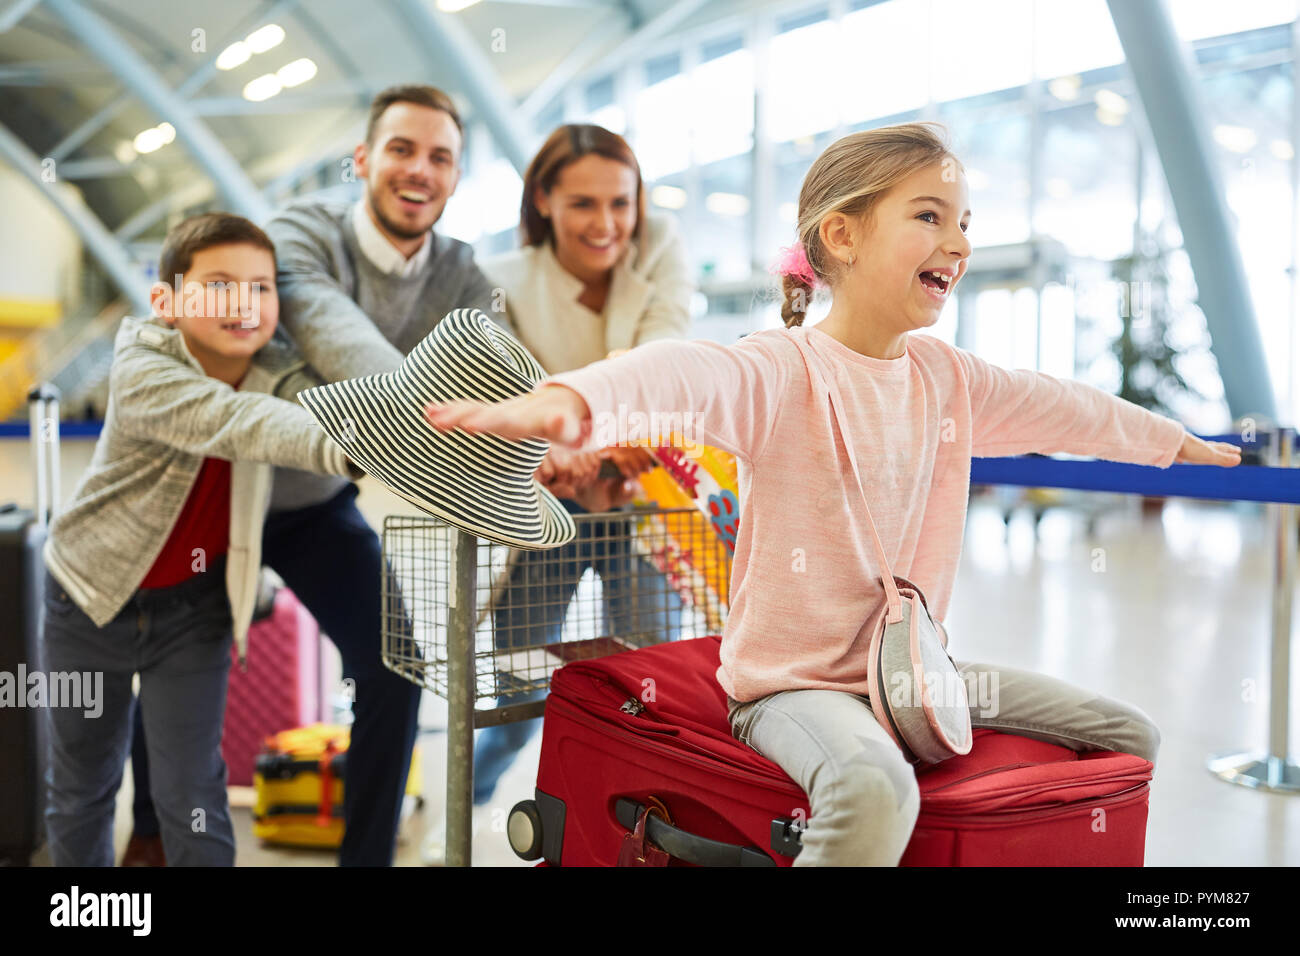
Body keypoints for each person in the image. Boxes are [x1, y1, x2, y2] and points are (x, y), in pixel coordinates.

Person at [424, 122, 1242, 866]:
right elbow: (682, 375)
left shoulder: (946, 378)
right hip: (792, 689)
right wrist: (572, 402)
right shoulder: (782, 370)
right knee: (873, 788)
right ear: (842, 236)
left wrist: (1171, 442)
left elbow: (1063, 406)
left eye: (964, 222)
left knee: (1128, 736)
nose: (957, 243)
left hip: (913, 677)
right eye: (929, 216)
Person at [41, 213, 361, 866]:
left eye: (261, 287)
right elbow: (242, 423)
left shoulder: (276, 366)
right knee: (83, 785)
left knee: (193, 789)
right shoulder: (142, 367)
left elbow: (336, 393)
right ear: (166, 302)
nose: (244, 303)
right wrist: (369, 446)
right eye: (219, 285)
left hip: (193, 608)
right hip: (87, 598)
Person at [468, 124, 694, 806]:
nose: (606, 224)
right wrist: (560, 451)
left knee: (655, 683)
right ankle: (468, 795)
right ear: (542, 201)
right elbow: (506, 401)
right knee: (518, 686)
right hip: (544, 507)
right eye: (582, 204)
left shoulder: (661, 252)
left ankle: (630, 825)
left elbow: (665, 357)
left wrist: (598, 435)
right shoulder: (497, 285)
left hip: (643, 499)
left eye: (620, 204)